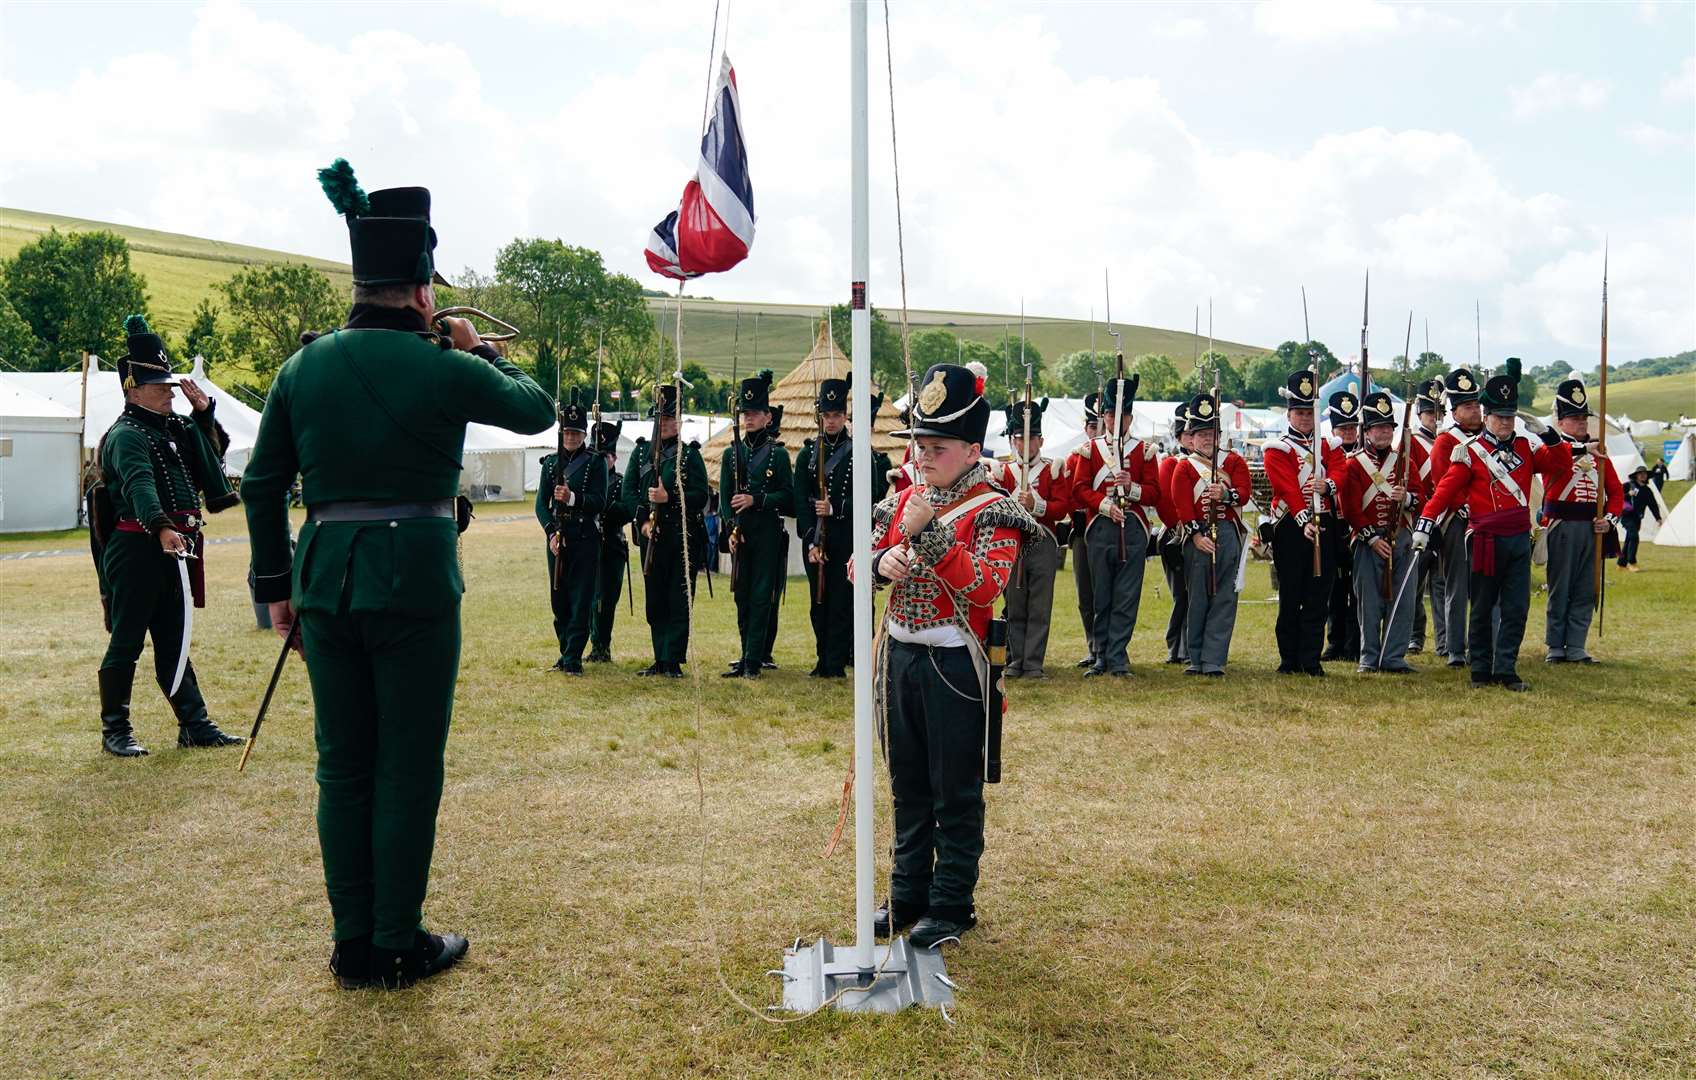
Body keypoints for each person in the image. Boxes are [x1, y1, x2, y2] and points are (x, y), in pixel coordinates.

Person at [243, 160, 555, 989]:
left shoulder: (301, 369)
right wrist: (480, 349)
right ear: (421, 291)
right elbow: (537, 409)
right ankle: (396, 940)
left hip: (324, 586)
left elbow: (260, 483)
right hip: (414, 583)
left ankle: (352, 944)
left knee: (342, 765)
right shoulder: (444, 364)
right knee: (407, 766)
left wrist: (274, 589)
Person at [857, 362, 1038, 948]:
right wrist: (880, 564)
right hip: (901, 657)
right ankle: (908, 893)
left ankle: (952, 903)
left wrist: (931, 535)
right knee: (906, 783)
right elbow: (860, 565)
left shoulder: (993, 508)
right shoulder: (904, 498)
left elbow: (986, 585)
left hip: (956, 664)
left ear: (970, 449)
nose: (924, 455)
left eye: (937, 446)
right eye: (920, 444)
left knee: (954, 790)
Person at [90, 314, 243, 757]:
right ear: (133, 389)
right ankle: (114, 729)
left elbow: (208, 460)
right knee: (128, 640)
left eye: (170, 388)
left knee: (175, 637)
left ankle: (194, 725)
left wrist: (203, 415)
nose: (169, 394)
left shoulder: (176, 427)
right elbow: (139, 485)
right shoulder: (125, 434)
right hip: (138, 548)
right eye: (160, 388)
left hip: (175, 546)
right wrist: (160, 527)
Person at [1412, 358, 1576, 691]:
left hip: (1517, 537)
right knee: (1484, 606)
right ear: (1486, 416)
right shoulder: (1469, 451)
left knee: (1516, 607)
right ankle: (1482, 670)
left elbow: (1560, 464)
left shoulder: (1525, 447)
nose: (1505, 423)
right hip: (1485, 537)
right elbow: (1446, 488)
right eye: (1500, 417)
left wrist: (1547, 433)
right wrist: (1426, 521)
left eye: (1509, 416)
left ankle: (1506, 668)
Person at [795, 375, 888, 677]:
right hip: (816, 541)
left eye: (836, 416)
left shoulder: (861, 453)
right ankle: (822, 658)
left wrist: (836, 508)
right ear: (819, 416)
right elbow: (801, 500)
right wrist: (810, 541)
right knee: (817, 603)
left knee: (840, 603)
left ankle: (834, 663)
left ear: (845, 416)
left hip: (846, 538)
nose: (831, 421)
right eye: (826, 416)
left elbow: (873, 501)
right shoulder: (808, 454)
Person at [1071, 376, 1158, 677]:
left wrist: (1131, 488)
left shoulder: (1144, 451)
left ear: (1129, 418)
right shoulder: (1090, 450)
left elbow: (1154, 492)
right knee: (1101, 596)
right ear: (1104, 416)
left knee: (1126, 596)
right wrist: (1105, 505)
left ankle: (1118, 656)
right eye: (1109, 415)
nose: (1114, 420)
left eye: (1120, 415)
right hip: (1101, 527)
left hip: (1132, 528)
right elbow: (1080, 488)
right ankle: (1100, 655)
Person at [623, 384, 710, 677]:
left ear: (679, 421)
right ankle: (659, 656)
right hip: (651, 537)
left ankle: (673, 659)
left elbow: (701, 496)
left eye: (671, 419)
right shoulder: (640, 455)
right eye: (661, 419)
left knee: (678, 598)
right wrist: (644, 522)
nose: (666, 424)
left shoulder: (690, 456)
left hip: (681, 537)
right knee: (655, 598)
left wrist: (669, 498)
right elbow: (628, 493)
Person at [1261, 369, 1343, 676]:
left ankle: (1311, 659)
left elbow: (1340, 472)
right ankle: (1289, 659)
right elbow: (1285, 486)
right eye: (1299, 412)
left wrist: (1329, 485)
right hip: (1292, 528)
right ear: (1289, 414)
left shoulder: (1329, 445)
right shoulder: (1277, 448)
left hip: (1324, 523)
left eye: (1309, 412)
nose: (1305, 418)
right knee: (1292, 594)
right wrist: (1303, 518)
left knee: (1318, 595)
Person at [1167, 393, 1253, 676]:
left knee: (1224, 597)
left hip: (1227, 533)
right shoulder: (1184, 467)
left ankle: (1214, 659)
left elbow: (1244, 493)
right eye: (1200, 433)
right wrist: (1194, 536)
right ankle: (1196, 657)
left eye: (1210, 433)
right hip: (1198, 537)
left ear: (1219, 434)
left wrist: (1226, 494)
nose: (1206, 438)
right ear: (1192, 436)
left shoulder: (1234, 462)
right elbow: (1181, 505)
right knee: (1198, 597)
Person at [1540, 378, 1623, 664]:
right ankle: (1555, 645)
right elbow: (1551, 464)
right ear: (1561, 422)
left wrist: (1609, 520)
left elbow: (1616, 492)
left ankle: (1576, 645)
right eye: (1574, 419)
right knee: (1560, 587)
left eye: (1583, 418)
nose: (1581, 424)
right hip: (1561, 525)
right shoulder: (1555, 449)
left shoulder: (1599, 452)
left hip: (1592, 528)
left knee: (1586, 588)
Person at [720, 370, 794, 679]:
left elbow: (788, 498)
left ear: (767, 417)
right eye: (745, 414)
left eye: (754, 414)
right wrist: (729, 531)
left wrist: (757, 500)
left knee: (762, 595)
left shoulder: (777, 456)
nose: (749, 419)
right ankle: (744, 653)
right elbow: (725, 498)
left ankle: (754, 658)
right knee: (741, 593)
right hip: (742, 534)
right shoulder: (730, 454)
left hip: (766, 533)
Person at [1340, 391, 1420, 673]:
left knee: (1403, 600)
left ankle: (1394, 657)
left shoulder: (1404, 462)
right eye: (1378, 427)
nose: (1384, 432)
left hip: (1402, 537)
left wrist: (1407, 499)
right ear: (1368, 431)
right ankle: (1369, 657)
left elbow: (1422, 497)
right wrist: (1371, 537)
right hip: (1367, 540)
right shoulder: (1353, 464)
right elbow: (1349, 508)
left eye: (1388, 427)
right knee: (1370, 603)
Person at [992, 397, 1070, 678]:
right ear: (1013, 442)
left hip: (1043, 540)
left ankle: (1033, 661)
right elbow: (995, 507)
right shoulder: (1003, 472)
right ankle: (1015, 660)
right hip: (1013, 543)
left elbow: (1062, 507)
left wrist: (1036, 505)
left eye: (1031, 439)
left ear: (1040, 440)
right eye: (1019, 439)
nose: (1025, 444)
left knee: (1039, 603)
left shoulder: (1053, 468)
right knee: (1014, 602)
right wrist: (1016, 503)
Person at [536, 391, 608, 675]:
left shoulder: (596, 462)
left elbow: (599, 502)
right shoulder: (551, 463)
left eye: (576, 433)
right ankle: (565, 650)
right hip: (558, 539)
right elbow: (542, 505)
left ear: (584, 434)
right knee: (559, 599)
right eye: (568, 432)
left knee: (580, 599)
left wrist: (573, 498)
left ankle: (574, 658)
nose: (571, 438)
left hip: (584, 537)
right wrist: (551, 534)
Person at [1428, 368, 1484, 669]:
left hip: (1486, 521)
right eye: (1467, 406)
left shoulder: (1489, 437)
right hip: (1458, 521)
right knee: (1457, 587)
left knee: (1485, 585)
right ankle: (1455, 648)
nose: (1474, 411)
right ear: (1455, 411)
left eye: (1476, 405)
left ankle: (1481, 643)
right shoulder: (1446, 441)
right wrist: (1466, 504)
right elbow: (1441, 481)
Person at [1064, 392, 1104, 669]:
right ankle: (1093, 646)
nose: (1097, 432)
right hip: (1082, 530)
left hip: (1109, 529)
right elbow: (1068, 497)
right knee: (1086, 596)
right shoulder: (1074, 458)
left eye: (1101, 426)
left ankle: (1109, 649)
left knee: (1108, 593)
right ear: (1085, 428)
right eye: (1092, 427)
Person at [1406, 378, 1446, 656]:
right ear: (1420, 413)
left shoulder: (1451, 441)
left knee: (1443, 585)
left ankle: (1446, 640)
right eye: (1430, 413)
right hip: (1419, 518)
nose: (1435, 418)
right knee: (1414, 585)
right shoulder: (1411, 442)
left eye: (1439, 413)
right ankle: (1414, 635)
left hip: (1446, 519)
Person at [1322, 390, 1362, 662]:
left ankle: (1355, 642)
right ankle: (1335, 641)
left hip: (1357, 527)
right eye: (1343, 428)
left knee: (1357, 590)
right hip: (1334, 527)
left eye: (1351, 428)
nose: (1348, 433)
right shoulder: (1327, 455)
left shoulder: (1365, 456)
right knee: (1334, 589)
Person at [588, 420, 629, 663]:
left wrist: (605, 506)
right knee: (590, 599)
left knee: (606, 600)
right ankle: (592, 643)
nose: (603, 461)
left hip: (612, 547)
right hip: (589, 546)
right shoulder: (588, 482)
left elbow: (628, 510)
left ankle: (602, 645)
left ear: (614, 458)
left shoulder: (621, 482)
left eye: (607, 457)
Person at [1155, 402, 1192, 665]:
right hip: (1176, 536)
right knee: (1182, 594)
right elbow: (1165, 502)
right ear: (1179, 437)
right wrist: (1184, 527)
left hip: (1202, 534)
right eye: (1189, 434)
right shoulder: (1171, 463)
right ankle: (1177, 646)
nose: (1193, 438)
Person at [1618, 464, 1660, 572]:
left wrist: (1658, 518)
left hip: (1637, 518)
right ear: (1636, 476)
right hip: (1626, 516)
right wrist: (1628, 494)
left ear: (1647, 476)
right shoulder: (1627, 485)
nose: (1642, 475)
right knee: (1634, 536)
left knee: (1629, 539)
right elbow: (1616, 497)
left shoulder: (1647, 490)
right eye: (1640, 474)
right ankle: (1632, 562)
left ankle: (1621, 564)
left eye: (1644, 474)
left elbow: (1653, 505)